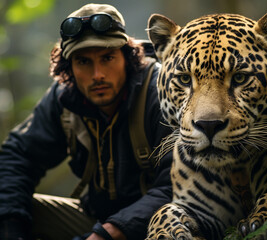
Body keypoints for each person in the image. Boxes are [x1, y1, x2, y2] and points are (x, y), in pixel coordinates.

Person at [0, 3, 173, 240]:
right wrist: (11, 229)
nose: (97, 74)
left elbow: (176, 188)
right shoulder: (64, 97)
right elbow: (17, 156)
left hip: (156, 225)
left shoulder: (159, 93)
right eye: (83, 61)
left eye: (107, 57)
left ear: (128, 56)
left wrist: (107, 234)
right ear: (68, 67)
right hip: (96, 221)